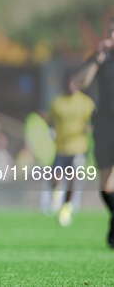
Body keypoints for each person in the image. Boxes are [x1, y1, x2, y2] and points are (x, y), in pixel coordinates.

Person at [76, 17, 114, 247]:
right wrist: (98, 58)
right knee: (106, 185)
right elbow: (80, 83)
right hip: (105, 124)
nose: (112, 36)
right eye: (110, 31)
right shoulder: (101, 58)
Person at [47, 74, 94, 226]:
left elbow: (93, 121)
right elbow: (51, 120)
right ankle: (57, 196)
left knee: (73, 179)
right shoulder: (57, 102)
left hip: (78, 147)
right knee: (55, 178)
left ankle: (66, 208)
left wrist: (87, 128)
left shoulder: (85, 102)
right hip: (61, 147)